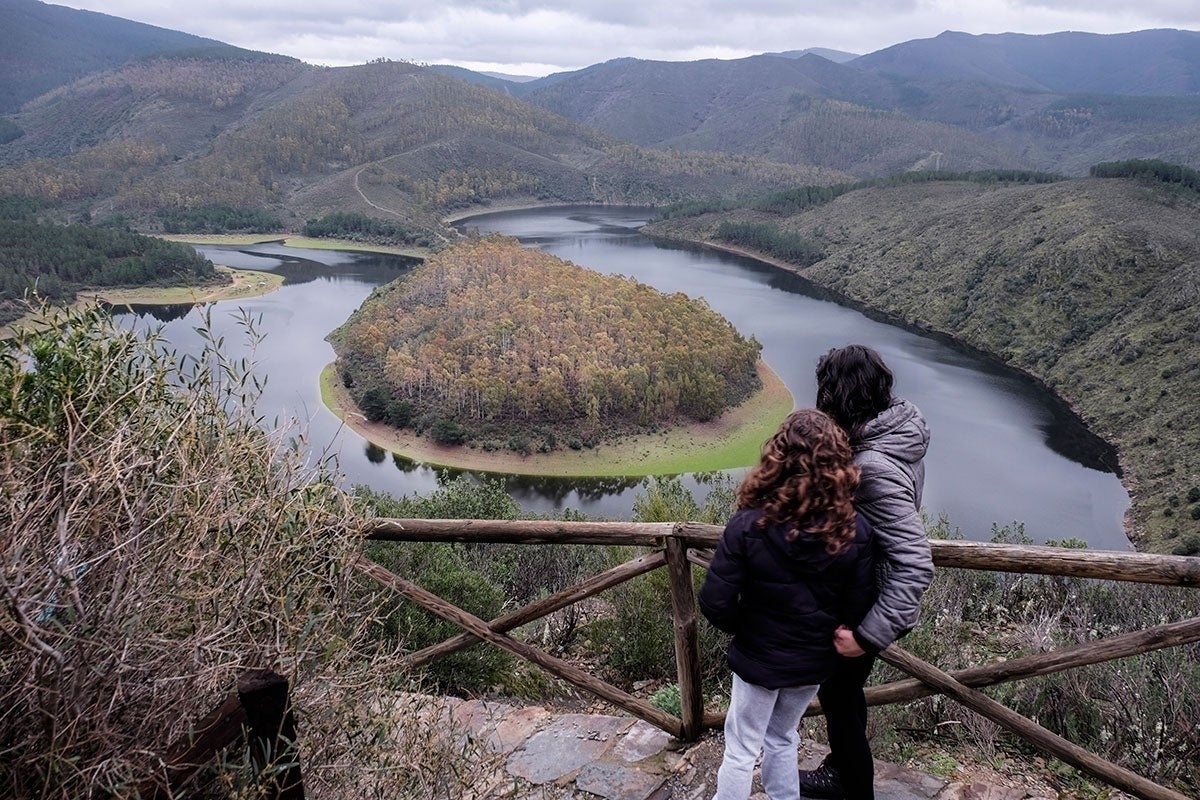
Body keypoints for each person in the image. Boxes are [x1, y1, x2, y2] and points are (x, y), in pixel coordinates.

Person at [699, 408, 877, 800]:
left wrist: (748, 629)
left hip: (758, 657)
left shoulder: (748, 524)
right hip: (813, 661)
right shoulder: (856, 531)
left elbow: (715, 601)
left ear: (776, 459)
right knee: (782, 736)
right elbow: (858, 605)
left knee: (742, 748)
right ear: (836, 465)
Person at [798, 344, 933, 800]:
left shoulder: (872, 465)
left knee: (839, 695)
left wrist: (868, 635)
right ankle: (842, 767)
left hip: (862, 607)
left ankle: (853, 786)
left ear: (837, 395)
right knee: (843, 696)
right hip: (860, 596)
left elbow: (914, 560)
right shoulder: (895, 432)